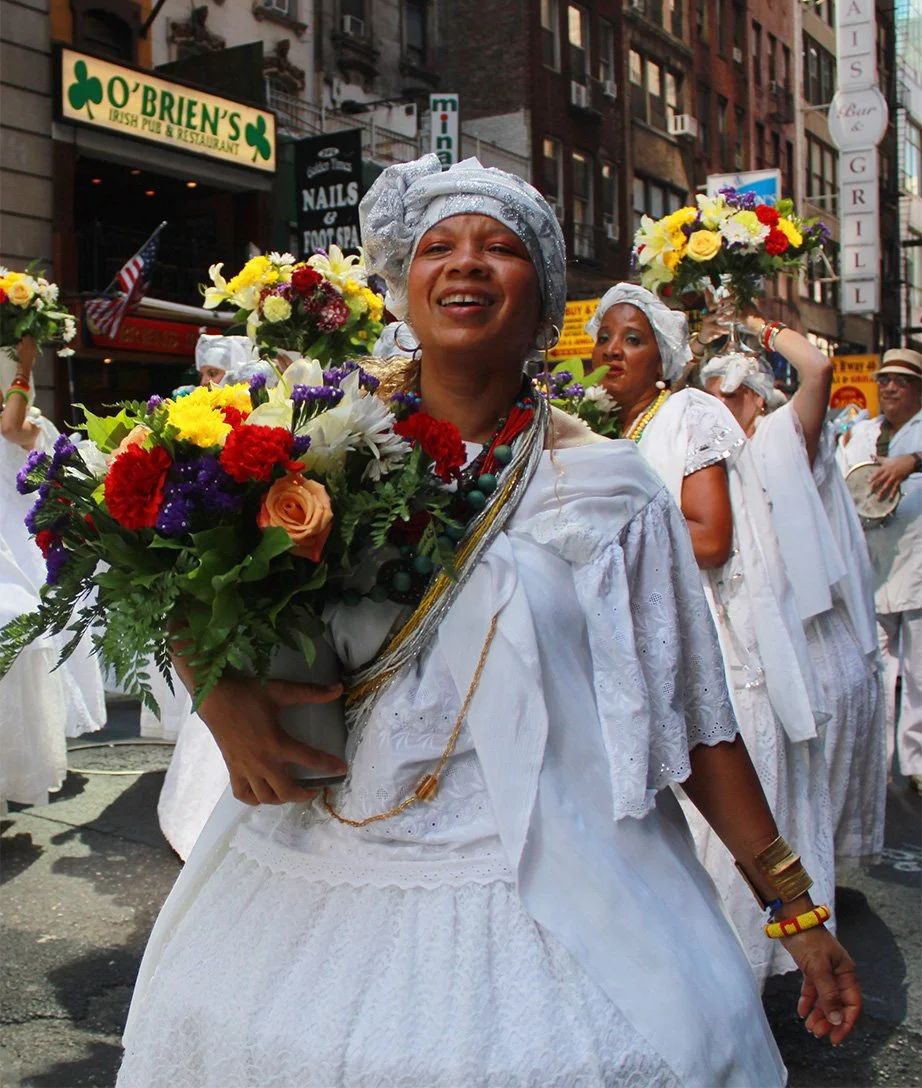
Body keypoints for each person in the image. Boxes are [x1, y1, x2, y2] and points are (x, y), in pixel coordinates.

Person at [117, 158, 858, 1088]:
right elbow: (176, 580)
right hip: (323, 851)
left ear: (543, 295)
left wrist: (794, 908)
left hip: (559, 864)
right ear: (403, 283)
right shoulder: (306, 443)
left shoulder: (617, 489)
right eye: (438, 246)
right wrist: (218, 695)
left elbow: (699, 719)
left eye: (500, 248)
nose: (466, 264)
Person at [587, 283, 836, 985]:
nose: (611, 350)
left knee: (702, 823)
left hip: (695, 631)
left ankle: (728, 988)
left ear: (663, 357)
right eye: (604, 336)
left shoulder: (686, 412)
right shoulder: (604, 426)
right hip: (623, 642)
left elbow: (712, 536)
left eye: (631, 339)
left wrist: (602, 546)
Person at [698, 316, 886, 865]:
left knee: (799, 781)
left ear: (760, 402)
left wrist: (752, 323)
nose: (722, 407)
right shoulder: (703, 462)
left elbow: (818, 367)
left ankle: (803, 892)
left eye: (735, 395)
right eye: (712, 398)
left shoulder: (783, 442)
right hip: (736, 637)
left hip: (801, 636)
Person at [0, 337, 105, 806]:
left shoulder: (29, 427)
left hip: (21, 544)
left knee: (36, 637)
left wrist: (23, 365)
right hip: (7, 544)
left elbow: (11, 426)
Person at [837, 347, 922, 789]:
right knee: (876, 665)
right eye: (885, 379)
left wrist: (914, 462)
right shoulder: (860, 432)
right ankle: (880, 761)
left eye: (902, 380)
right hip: (871, 563)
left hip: (918, 561)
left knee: (920, 670)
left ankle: (917, 762)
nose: (890, 387)